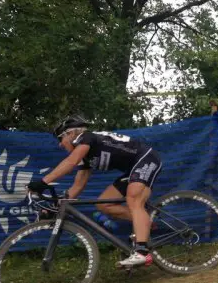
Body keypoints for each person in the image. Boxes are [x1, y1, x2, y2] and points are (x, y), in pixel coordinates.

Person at [26, 115, 163, 269]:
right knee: (105, 204)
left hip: (146, 158)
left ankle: (142, 253)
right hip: (132, 169)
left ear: (71, 134)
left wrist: (43, 182)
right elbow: (77, 187)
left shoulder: (86, 137)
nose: (60, 145)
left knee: (134, 200)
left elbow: (70, 162)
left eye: (60, 139)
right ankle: (145, 223)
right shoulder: (86, 157)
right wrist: (57, 207)